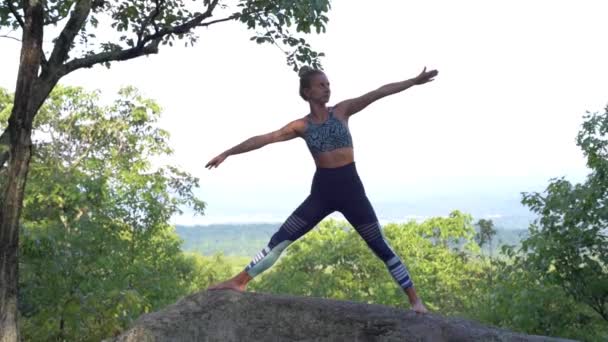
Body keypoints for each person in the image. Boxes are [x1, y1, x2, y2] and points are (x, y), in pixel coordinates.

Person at [205, 66, 438, 314]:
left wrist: (413, 81)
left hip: (352, 192)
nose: (327, 88)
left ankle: (415, 301)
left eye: (328, 84)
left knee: (380, 246)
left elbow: (377, 93)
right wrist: (228, 152)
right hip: (322, 193)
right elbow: (265, 138)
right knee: (281, 239)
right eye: (321, 85)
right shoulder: (301, 126)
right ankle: (239, 282)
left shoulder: (342, 111)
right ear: (307, 92)